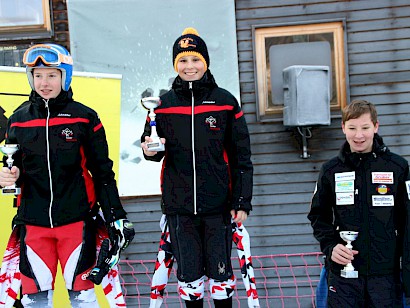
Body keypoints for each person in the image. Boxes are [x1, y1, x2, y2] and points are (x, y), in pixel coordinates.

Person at [0, 43, 135, 308]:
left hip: (77, 223)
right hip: (33, 224)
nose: (44, 82)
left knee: (82, 297)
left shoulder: (84, 118)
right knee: (34, 300)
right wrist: (8, 177)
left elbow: (103, 174)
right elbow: (11, 166)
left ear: (65, 76)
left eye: (52, 75)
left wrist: (117, 216)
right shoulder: (18, 120)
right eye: (37, 75)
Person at [141, 27, 253, 308]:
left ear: (205, 62)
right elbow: (154, 152)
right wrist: (148, 149)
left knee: (220, 277)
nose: (189, 66)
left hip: (219, 206)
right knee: (189, 280)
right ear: (175, 65)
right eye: (183, 61)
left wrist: (242, 201)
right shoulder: (162, 105)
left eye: (195, 60)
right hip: (179, 209)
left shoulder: (225, 102)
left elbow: (242, 157)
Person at [307, 99, 410, 307]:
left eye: (365, 127)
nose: (359, 135)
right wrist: (331, 247)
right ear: (343, 127)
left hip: (386, 276)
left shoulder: (397, 167)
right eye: (352, 128)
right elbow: (318, 216)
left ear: (376, 126)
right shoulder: (331, 170)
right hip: (343, 276)